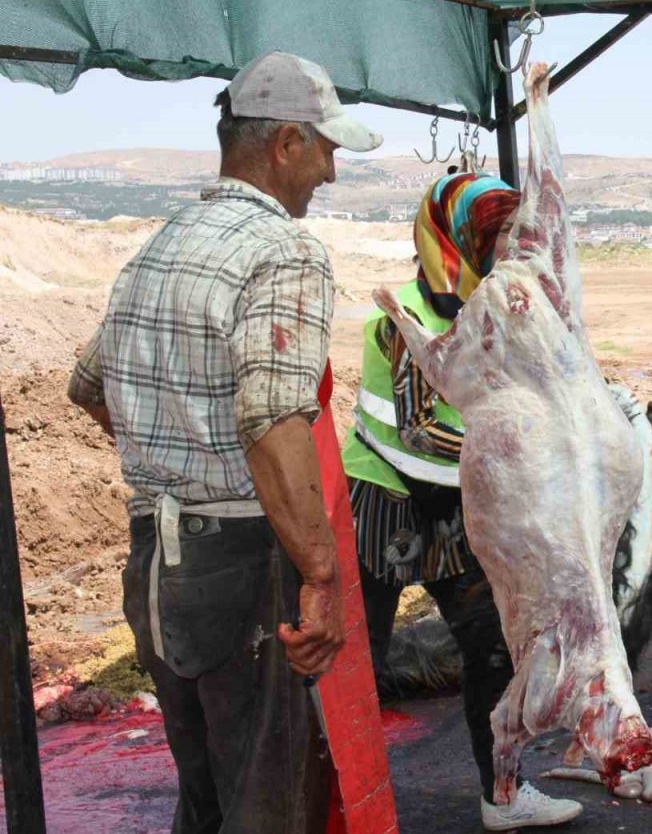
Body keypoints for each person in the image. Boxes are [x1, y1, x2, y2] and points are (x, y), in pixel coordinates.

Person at [67, 50, 382, 833]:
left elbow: (88, 385)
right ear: (284, 144)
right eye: (326, 149)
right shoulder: (286, 250)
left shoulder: (162, 245)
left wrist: (174, 453)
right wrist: (318, 574)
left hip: (156, 568)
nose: (332, 173)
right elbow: (274, 419)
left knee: (206, 797)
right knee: (269, 803)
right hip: (242, 565)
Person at [342, 171, 583, 831]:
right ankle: (328, 805)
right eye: (499, 236)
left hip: (454, 507)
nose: (511, 249)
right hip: (384, 507)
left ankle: (503, 794)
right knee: (354, 664)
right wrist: (530, 448)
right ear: (459, 240)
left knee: (493, 650)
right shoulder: (403, 321)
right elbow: (420, 431)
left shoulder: (492, 316)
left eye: (515, 235)